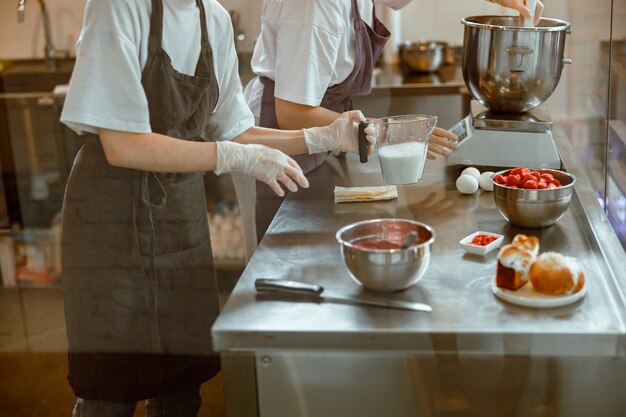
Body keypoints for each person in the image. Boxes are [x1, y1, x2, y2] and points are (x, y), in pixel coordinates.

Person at [58, 0, 371, 415]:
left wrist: (321, 138)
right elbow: (122, 144)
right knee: (111, 391)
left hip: (178, 214)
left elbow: (235, 130)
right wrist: (230, 157)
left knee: (183, 384)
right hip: (109, 215)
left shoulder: (214, 18)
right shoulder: (119, 6)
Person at [242, 0, 544, 249]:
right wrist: (389, 133)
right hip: (278, 140)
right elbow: (293, 112)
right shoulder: (313, 6)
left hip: (319, 133)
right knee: (284, 251)